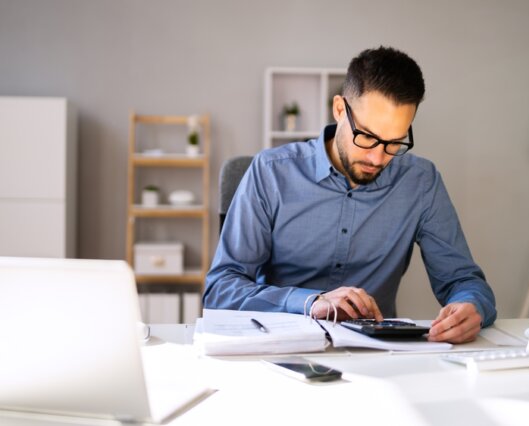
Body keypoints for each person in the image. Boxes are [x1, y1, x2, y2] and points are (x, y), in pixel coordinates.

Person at [204, 46, 496, 343]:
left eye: (394, 143)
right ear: (340, 109)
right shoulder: (271, 172)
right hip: (279, 347)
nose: (378, 158)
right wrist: (310, 302)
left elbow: (462, 279)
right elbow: (221, 290)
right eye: (367, 137)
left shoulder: (420, 181)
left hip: (376, 352)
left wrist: (471, 306)